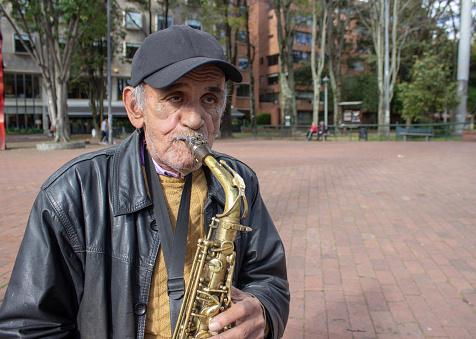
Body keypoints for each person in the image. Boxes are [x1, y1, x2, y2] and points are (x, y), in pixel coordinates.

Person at [0, 25, 289, 339]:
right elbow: (28, 327)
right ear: (135, 107)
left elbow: (269, 279)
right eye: (175, 97)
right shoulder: (72, 192)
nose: (195, 119)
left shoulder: (239, 180)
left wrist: (264, 311)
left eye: (209, 98)